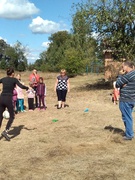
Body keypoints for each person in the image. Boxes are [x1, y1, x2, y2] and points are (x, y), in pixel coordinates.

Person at [0, 68, 29, 141]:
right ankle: (5, 131)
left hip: (1, 98)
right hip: (8, 99)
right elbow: (21, 86)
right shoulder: (14, 80)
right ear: (12, 73)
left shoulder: (3, 79)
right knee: (12, 116)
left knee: (0, 117)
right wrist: (27, 88)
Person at [116, 61, 135, 140]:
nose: (122, 68)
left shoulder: (128, 75)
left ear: (127, 67)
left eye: (123, 67)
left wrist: (120, 75)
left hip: (126, 99)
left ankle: (129, 135)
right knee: (127, 116)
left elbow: (117, 84)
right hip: (132, 99)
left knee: (127, 117)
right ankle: (129, 132)